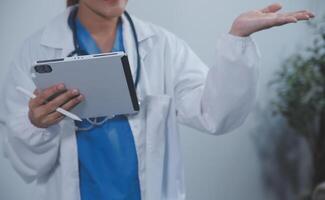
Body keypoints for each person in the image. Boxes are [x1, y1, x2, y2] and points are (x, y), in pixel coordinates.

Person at [2, 0, 314, 200]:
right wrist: (36, 124)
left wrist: (237, 40)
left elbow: (215, 113)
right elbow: (24, 159)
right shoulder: (37, 51)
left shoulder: (163, 46)